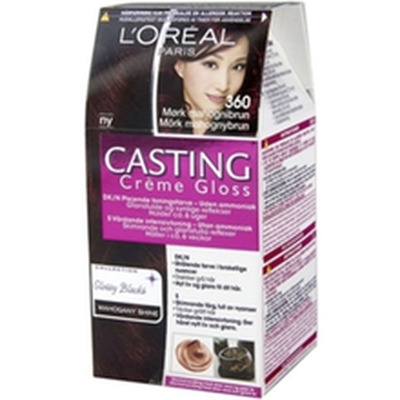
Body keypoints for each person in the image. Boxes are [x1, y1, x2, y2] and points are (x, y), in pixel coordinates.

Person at [157, 22, 268, 136]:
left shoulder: (254, 126)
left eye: (238, 67)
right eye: (210, 64)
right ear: (180, 65)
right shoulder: (153, 118)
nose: (223, 86)